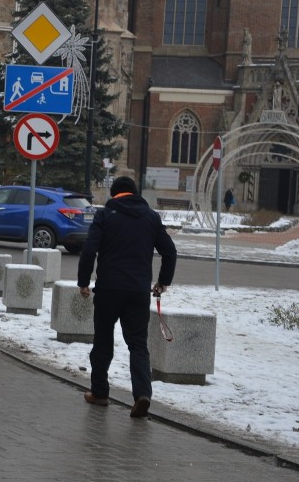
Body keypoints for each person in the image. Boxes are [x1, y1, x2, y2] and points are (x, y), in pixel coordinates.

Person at [77, 176, 177, 418]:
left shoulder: (105, 215)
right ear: (135, 193)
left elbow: (90, 249)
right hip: (137, 292)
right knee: (138, 345)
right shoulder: (151, 217)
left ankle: (100, 393)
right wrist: (163, 282)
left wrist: (83, 282)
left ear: (114, 194)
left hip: (108, 290)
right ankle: (142, 394)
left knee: (103, 341)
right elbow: (170, 251)